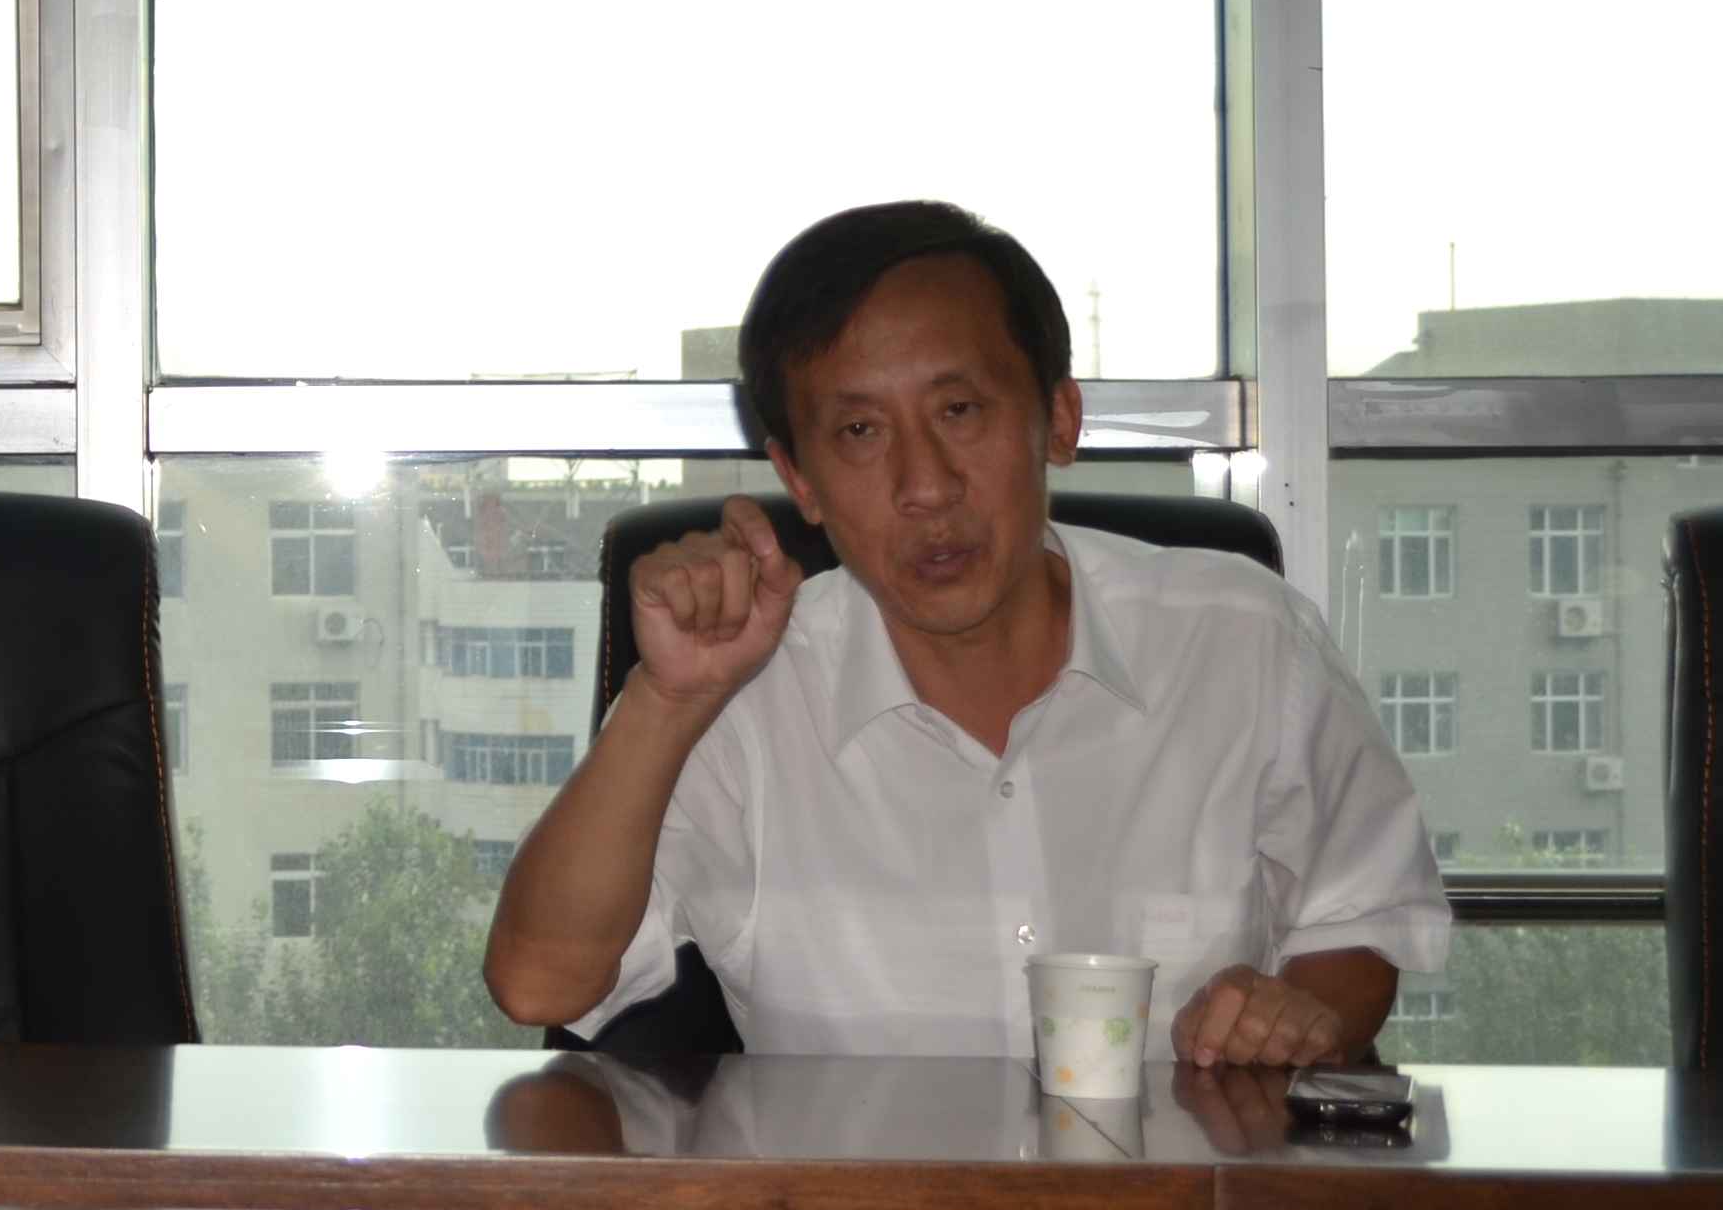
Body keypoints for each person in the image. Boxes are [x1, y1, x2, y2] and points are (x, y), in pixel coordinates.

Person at [485, 200, 1445, 1065]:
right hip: (856, 1207)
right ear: (799, 478)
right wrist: (668, 701)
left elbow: (1363, 920)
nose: (926, 486)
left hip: (1180, 1200)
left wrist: (1300, 1014)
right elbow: (539, 985)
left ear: (1058, 418)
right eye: (860, 433)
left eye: (959, 410)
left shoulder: (1241, 638)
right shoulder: (746, 692)